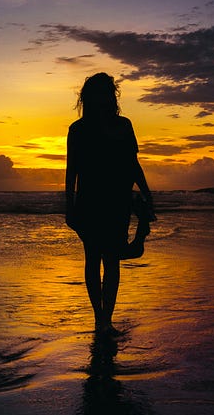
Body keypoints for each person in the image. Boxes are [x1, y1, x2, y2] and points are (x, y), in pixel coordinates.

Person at [65, 73, 154, 336]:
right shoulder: (77, 129)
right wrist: (69, 206)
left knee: (112, 260)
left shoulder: (124, 126)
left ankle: (107, 320)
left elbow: (132, 164)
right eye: (98, 93)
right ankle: (99, 319)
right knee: (93, 259)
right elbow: (72, 171)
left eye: (107, 92)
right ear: (88, 97)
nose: (103, 98)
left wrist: (147, 193)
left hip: (117, 201)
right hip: (90, 202)